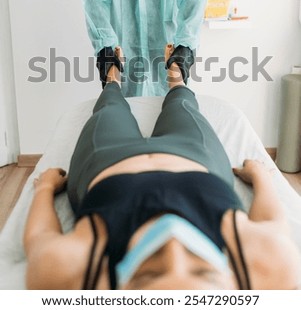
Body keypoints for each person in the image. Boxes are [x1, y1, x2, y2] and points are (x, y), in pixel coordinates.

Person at [24, 45, 301, 290]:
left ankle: (111, 77)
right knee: (183, 103)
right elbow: (271, 224)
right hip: (195, 156)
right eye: (201, 268)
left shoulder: (71, 272)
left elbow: (40, 238)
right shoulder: (271, 268)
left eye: (149, 272)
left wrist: (46, 187)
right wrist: (261, 176)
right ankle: (177, 74)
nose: (172, 249)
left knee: (109, 108)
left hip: (107, 160)